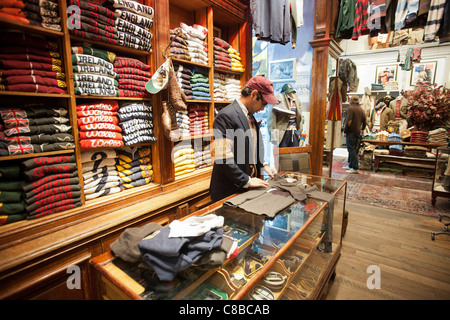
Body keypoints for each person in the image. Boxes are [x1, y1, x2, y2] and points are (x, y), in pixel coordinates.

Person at [210, 75, 278, 202]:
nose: (263, 108)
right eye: (263, 103)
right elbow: (222, 157)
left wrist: (263, 165)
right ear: (253, 94)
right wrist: (246, 180)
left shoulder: (250, 116)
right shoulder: (226, 116)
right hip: (229, 191)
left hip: (246, 190)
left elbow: (251, 146)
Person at [269, 83, 303, 147]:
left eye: (291, 92)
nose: (290, 94)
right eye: (288, 92)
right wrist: (274, 137)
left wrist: (299, 131)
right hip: (282, 133)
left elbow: (299, 116)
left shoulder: (296, 99)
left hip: (294, 131)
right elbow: (272, 119)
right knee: (282, 155)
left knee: (294, 155)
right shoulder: (278, 99)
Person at [344, 95, 367, 174]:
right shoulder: (361, 109)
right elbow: (365, 121)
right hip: (357, 132)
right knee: (355, 149)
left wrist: (345, 130)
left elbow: (348, 121)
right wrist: (362, 129)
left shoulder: (350, 109)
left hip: (351, 132)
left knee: (351, 149)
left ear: (351, 100)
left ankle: (355, 167)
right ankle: (351, 165)